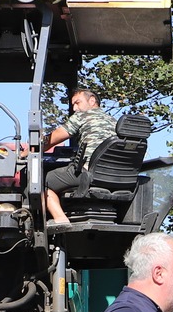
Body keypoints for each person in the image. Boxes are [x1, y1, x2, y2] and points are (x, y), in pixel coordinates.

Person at [42, 86, 119, 224]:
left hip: (88, 173)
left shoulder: (82, 116)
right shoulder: (114, 121)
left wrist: (25, 152)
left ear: (92, 101)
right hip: (115, 176)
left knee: (39, 181)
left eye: (77, 103)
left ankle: (60, 219)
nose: (75, 108)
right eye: (73, 105)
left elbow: (50, 141)